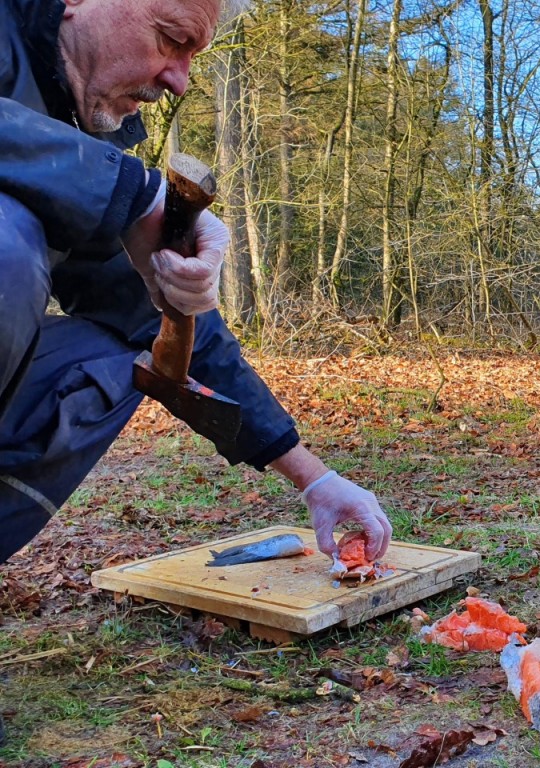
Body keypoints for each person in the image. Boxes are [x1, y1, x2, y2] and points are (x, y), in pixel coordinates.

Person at [0, 1, 393, 596]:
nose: (179, 79)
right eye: (170, 39)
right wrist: (131, 192)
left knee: (112, 359)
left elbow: (165, 324)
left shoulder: (75, 129)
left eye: (192, 56)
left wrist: (314, 478)